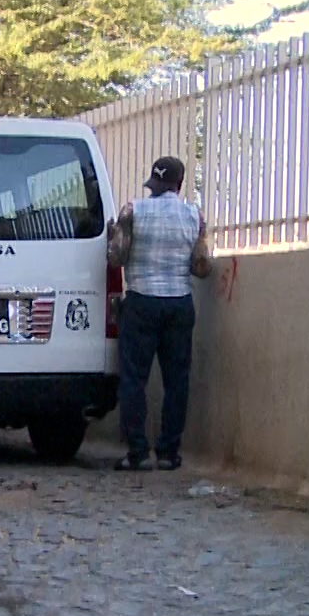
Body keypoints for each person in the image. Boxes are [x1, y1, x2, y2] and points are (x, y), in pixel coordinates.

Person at [108, 156, 212, 472]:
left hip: (141, 302)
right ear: (179, 184)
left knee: (134, 380)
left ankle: (137, 452)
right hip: (179, 303)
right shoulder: (195, 216)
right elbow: (201, 266)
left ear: (154, 183)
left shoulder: (133, 211)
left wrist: (115, 235)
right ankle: (168, 452)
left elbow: (116, 257)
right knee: (176, 381)